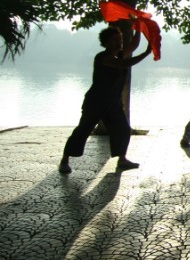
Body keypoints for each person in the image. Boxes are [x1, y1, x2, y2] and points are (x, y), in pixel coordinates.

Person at [59, 26, 153, 173]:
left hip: (114, 103)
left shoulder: (120, 54)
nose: (119, 42)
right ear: (106, 42)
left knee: (122, 129)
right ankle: (65, 159)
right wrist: (147, 53)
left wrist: (139, 27)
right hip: (96, 101)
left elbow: (134, 44)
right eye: (115, 39)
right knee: (83, 130)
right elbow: (125, 64)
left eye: (120, 39)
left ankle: (122, 159)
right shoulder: (103, 57)